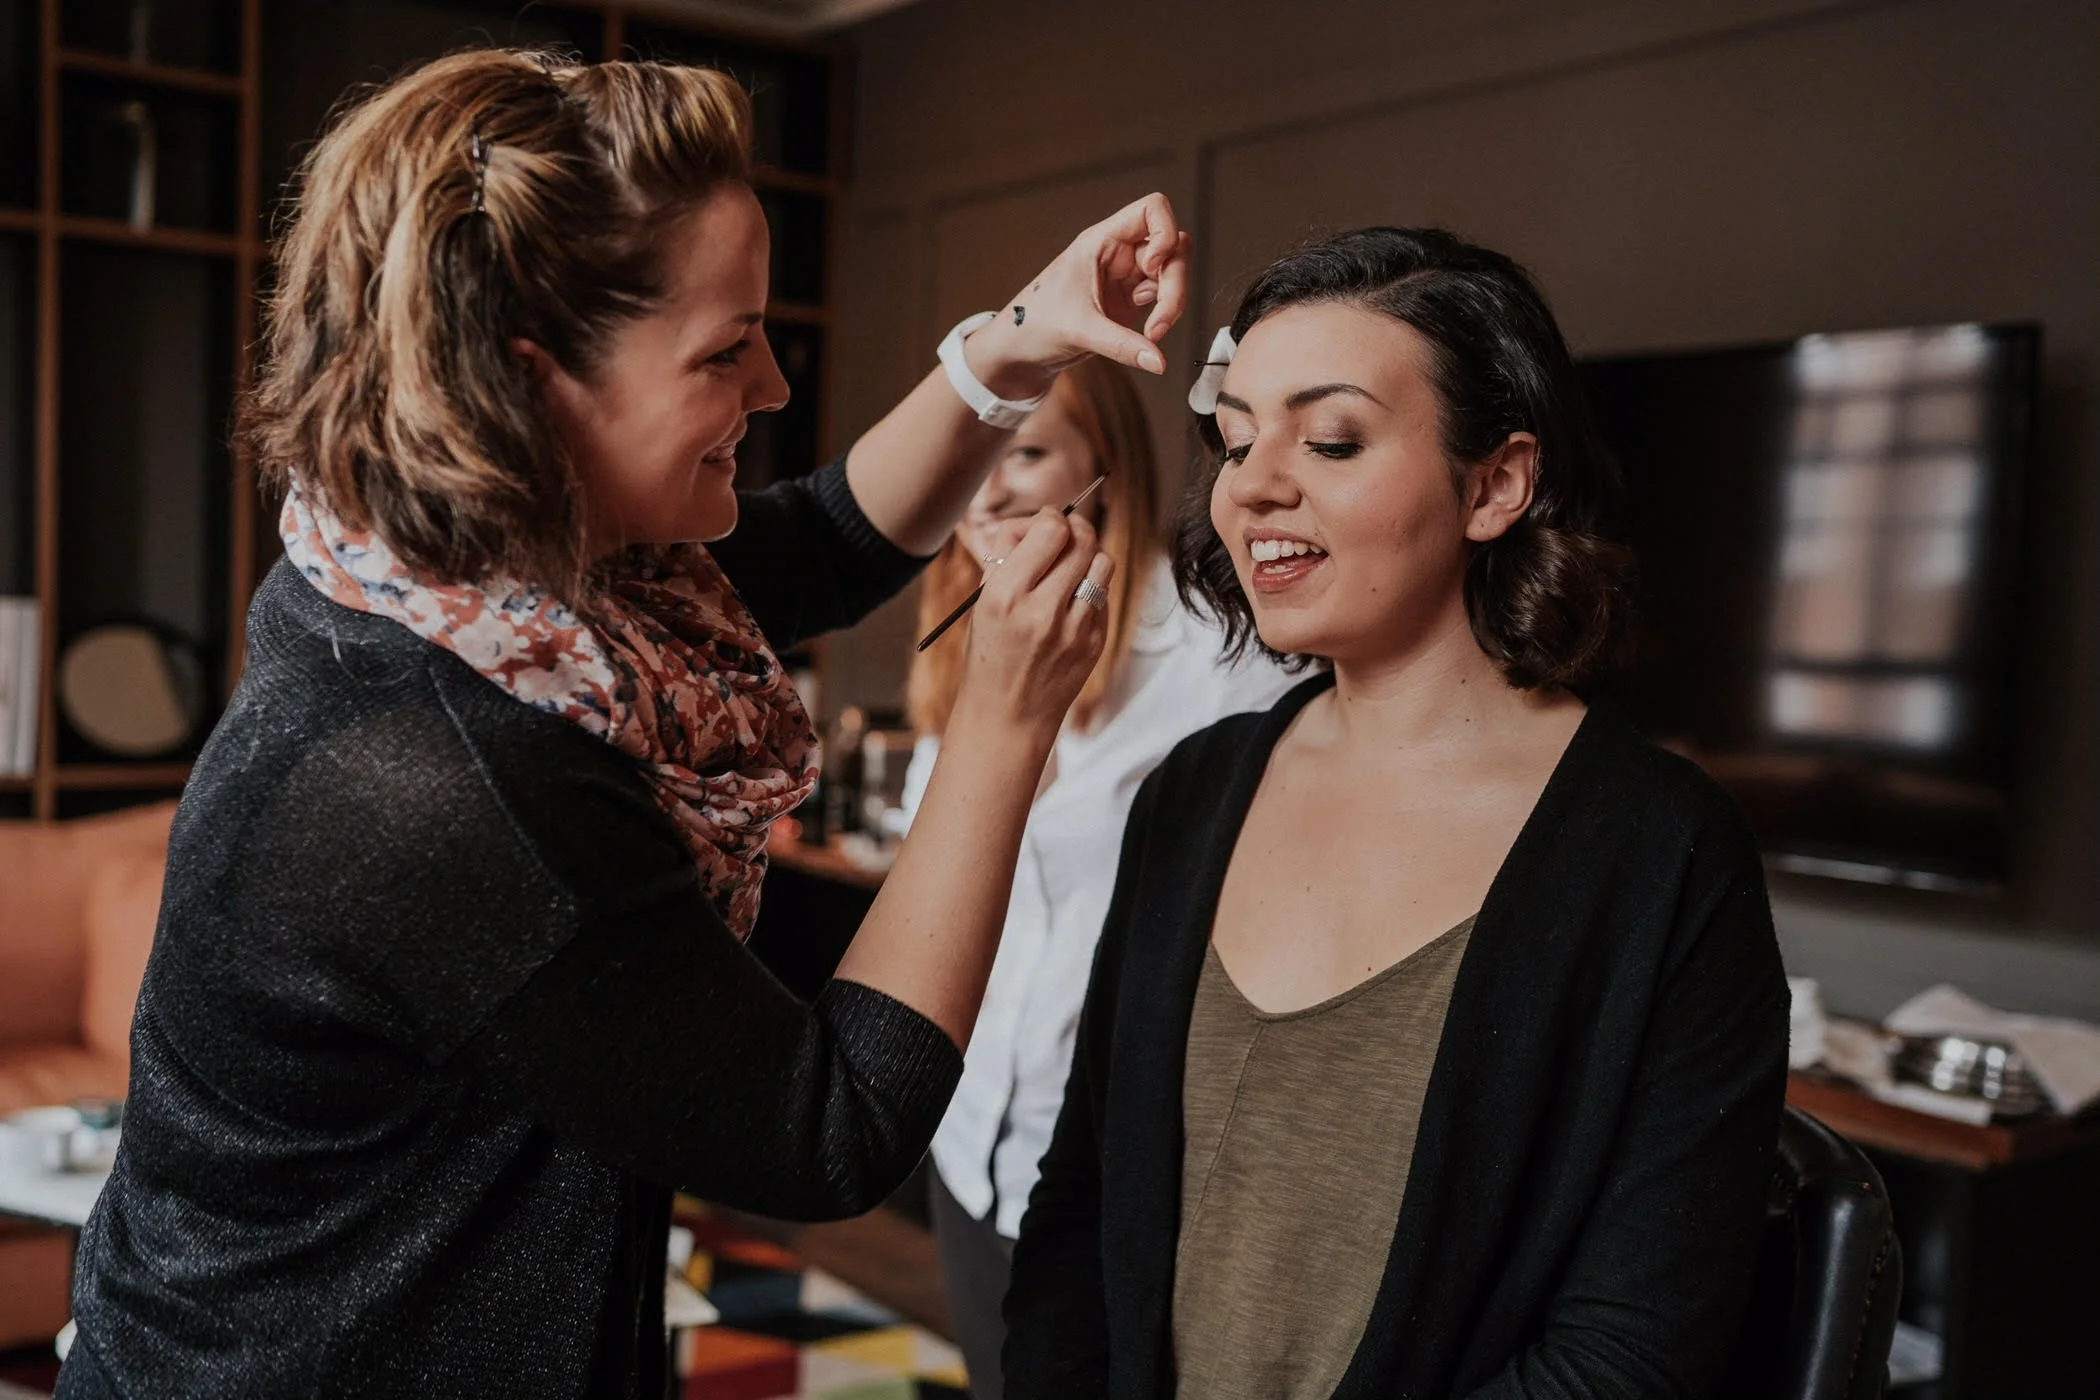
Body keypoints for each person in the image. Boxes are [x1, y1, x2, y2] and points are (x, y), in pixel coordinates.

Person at [58, 49, 1194, 1399]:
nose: (773, 388)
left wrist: (1017, 344)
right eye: (725, 350)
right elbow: (827, 1125)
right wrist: (1006, 722)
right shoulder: (436, 778)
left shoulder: (464, 575)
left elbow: (824, 542)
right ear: (532, 385)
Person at [1003, 228, 1790, 1398]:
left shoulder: (1663, 853)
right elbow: (1082, 1213)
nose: (1256, 480)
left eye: (1330, 438)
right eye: (1236, 437)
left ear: (1495, 485)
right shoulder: (1191, 790)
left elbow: (1630, 1354)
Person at [895, 358, 1297, 1399]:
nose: (986, 490)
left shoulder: (1222, 657)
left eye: (1023, 451)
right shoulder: (962, 643)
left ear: (1101, 468)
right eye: (976, 454)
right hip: (970, 1128)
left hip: (1112, 1170)